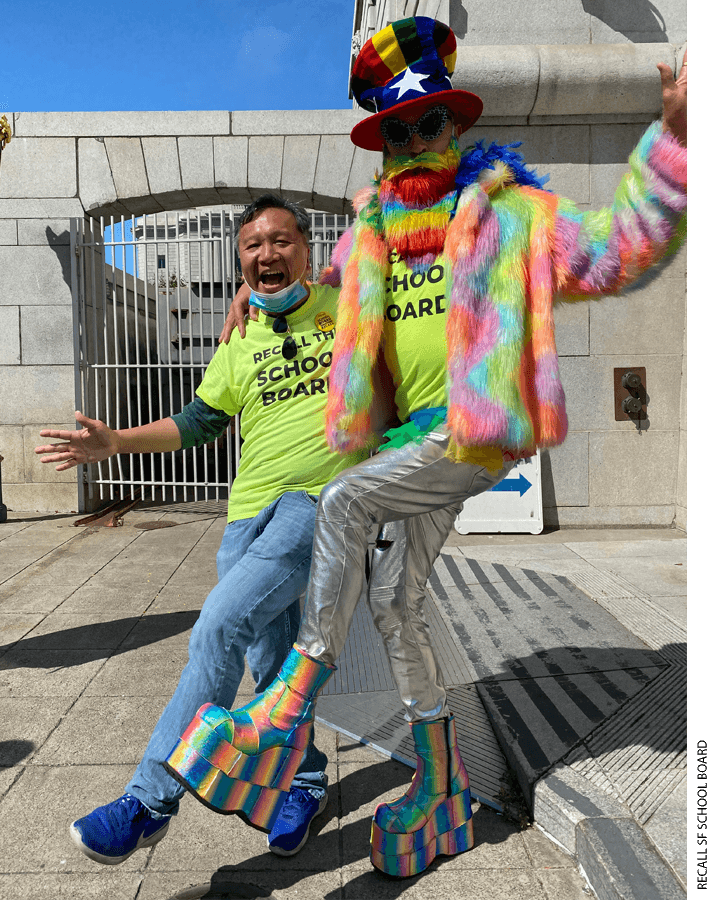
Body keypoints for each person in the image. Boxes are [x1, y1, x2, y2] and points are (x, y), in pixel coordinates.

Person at [167, 15, 687, 879]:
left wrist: (671, 140)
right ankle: (441, 788)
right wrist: (249, 301)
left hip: (474, 433)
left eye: (429, 124)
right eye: (397, 130)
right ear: (383, 144)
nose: (415, 141)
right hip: (407, 444)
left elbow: (614, 252)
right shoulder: (369, 240)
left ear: (456, 128)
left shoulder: (508, 216)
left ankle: (285, 704)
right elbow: (306, 292)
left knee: (344, 500)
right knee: (396, 605)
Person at [34, 195, 373, 863]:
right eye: (252, 245)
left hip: (320, 503)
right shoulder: (241, 336)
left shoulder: (350, 308)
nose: (266, 254)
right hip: (245, 515)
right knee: (270, 662)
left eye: (281, 241)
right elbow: (199, 422)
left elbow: (388, 253)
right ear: (239, 260)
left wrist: (363, 227)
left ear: (308, 250)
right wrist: (116, 442)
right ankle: (303, 784)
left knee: (219, 623)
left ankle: (147, 800)